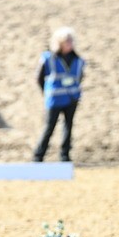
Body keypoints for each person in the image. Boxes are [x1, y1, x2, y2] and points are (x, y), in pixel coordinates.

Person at [33, 26, 84, 162]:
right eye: (67, 41)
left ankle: (64, 156)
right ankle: (38, 156)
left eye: (71, 41)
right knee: (49, 127)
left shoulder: (78, 60)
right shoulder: (49, 58)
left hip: (71, 98)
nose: (70, 43)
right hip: (55, 99)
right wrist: (46, 92)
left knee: (68, 127)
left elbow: (79, 77)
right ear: (59, 42)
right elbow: (39, 77)